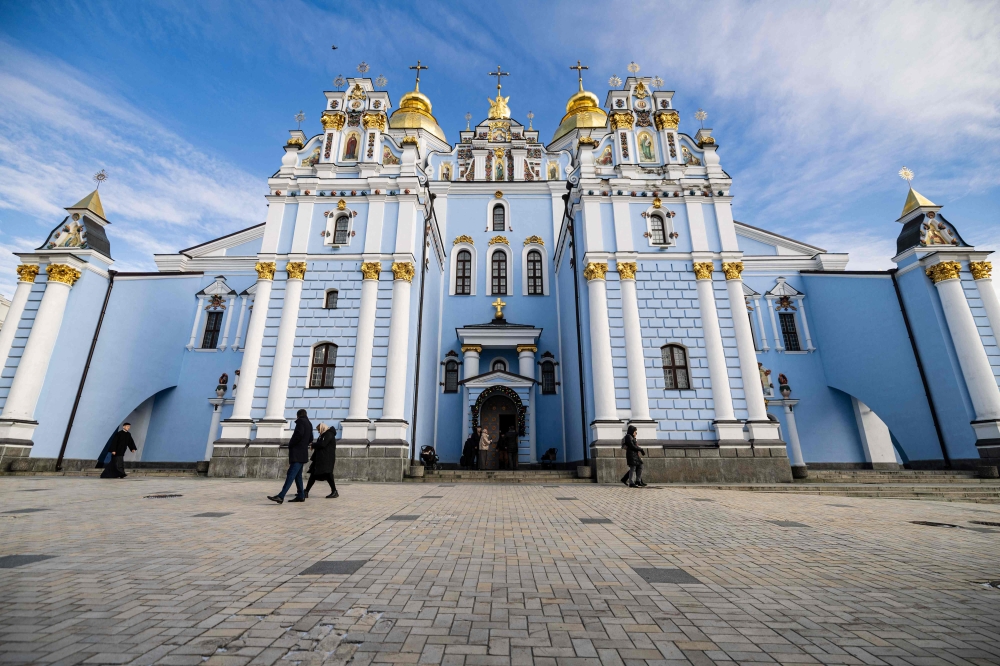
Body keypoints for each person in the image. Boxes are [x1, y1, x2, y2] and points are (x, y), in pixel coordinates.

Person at [268, 409, 313, 504]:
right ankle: (301, 495)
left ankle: (281, 496)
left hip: (297, 453)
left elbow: (299, 434)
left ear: (298, 416)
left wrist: (291, 443)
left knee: (291, 474)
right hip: (303, 453)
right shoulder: (309, 424)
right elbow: (311, 438)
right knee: (297, 476)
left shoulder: (300, 422)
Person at [304, 422, 338, 499]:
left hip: (326, 459)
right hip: (321, 459)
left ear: (323, 428)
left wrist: (313, 445)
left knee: (328, 475)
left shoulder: (329, 434)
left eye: (319, 430)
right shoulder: (324, 435)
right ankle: (306, 491)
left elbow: (323, 444)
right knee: (314, 474)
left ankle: (334, 491)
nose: (319, 432)